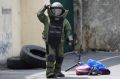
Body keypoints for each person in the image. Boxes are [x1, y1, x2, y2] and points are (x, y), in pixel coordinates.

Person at [37, 2, 73, 78]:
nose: (57, 12)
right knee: (51, 56)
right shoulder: (47, 19)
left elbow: (68, 30)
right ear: (51, 10)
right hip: (50, 41)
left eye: (59, 10)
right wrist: (44, 8)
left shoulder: (64, 20)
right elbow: (39, 15)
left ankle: (57, 71)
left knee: (60, 56)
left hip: (60, 41)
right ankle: (49, 73)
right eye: (55, 10)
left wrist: (70, 39)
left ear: (62, 11)